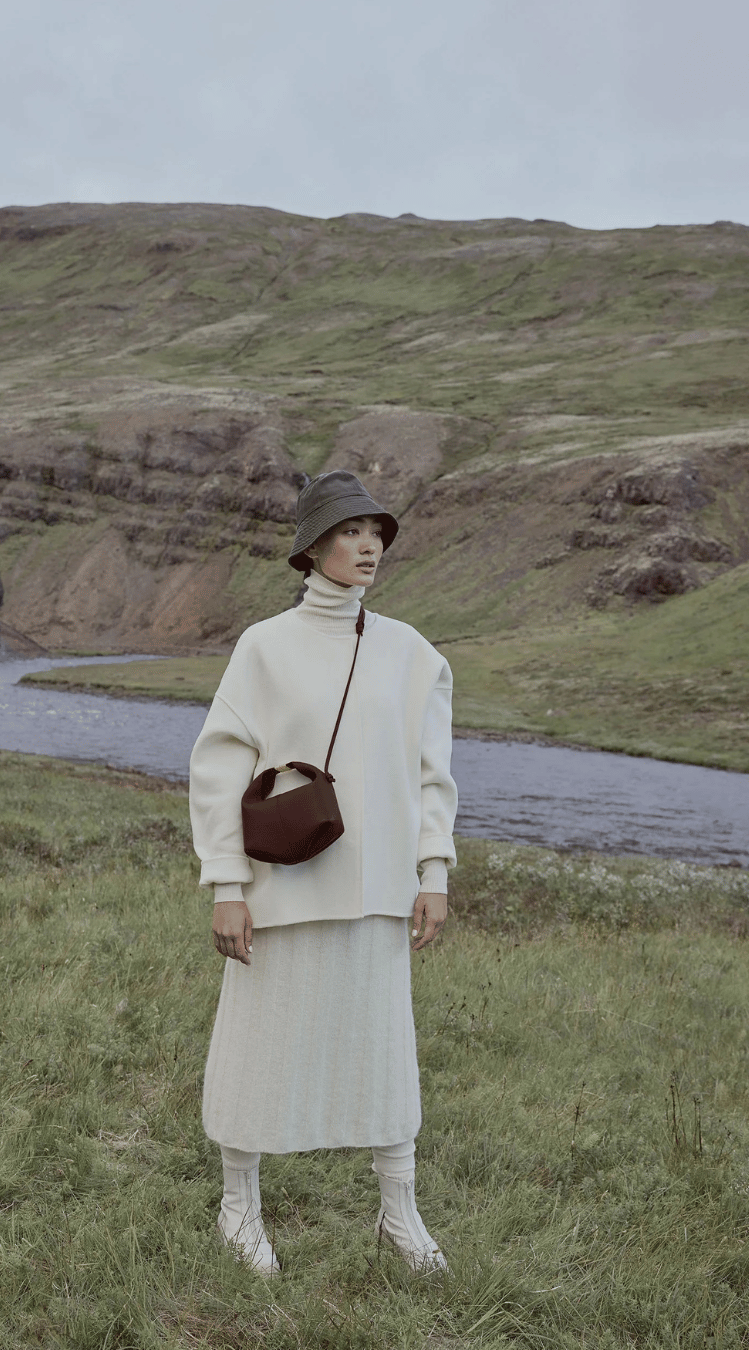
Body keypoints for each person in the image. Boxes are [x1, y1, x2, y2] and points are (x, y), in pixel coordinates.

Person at [188, 469, 457, 1276]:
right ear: (311, 547)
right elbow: (218, 770)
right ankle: (239, 1208)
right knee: (258, 1046)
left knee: (382, 1050)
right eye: (349, 531)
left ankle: (399, 1214)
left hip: (378, 892)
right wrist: (227, 888)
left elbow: (431, 775)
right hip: (282, 885)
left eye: (376, 531)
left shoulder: (413, 655)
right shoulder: (263, 647)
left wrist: (433, 871)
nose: (367, 544)